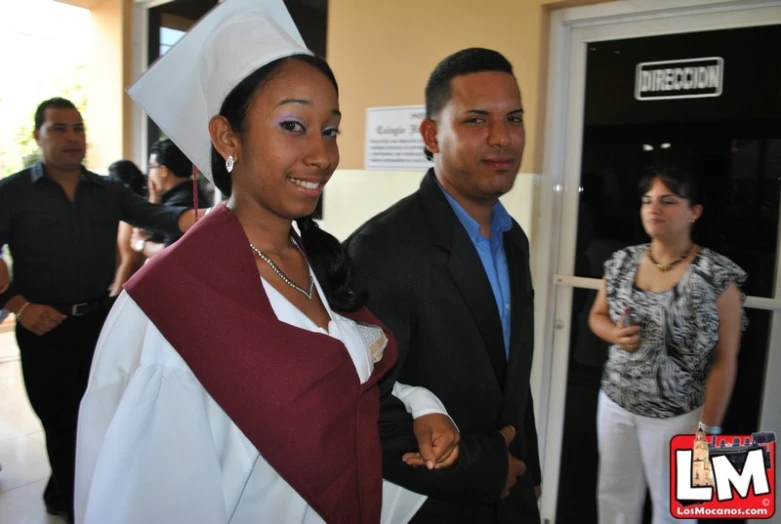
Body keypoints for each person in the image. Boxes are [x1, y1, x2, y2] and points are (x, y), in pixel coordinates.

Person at [75, 1, 458, 523]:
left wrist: (421, 405)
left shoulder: (315, 257)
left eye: (330, 130)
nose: (323, 156)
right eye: (293, 125)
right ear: (227, 136)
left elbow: (341, 379)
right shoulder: (176, 309)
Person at [345, 48, 542, 523]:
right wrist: (487, 467)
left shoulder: (513, 239)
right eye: (476, 120)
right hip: (433, 505)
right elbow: (361, 406)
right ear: (432, 135)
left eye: (513, 118)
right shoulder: (380, 251)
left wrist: (528, 471)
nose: (503, 138)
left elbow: (512, 378)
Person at [0, 96, 205, 522]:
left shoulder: (106, 190)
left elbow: (158, 215)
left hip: (97, 324)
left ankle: (65, 493)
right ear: (38, 135)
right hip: (42, 327)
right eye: (59, 128)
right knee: (59, 422)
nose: (72, 137)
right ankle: (78, 506)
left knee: (98, 416)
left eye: (78, 128)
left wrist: (206, 218)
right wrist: (18, 306)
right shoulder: (13, 193)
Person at [588, 167, 746, 524]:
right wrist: (614, 334)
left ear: (695, 211)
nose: (653, 208)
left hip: (679, 415)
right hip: (616, 403)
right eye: (647, 200)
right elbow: (597, 315)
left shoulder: (716, 275)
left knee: (673, 509)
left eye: (668, 200)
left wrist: (708, 431)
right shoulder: (622, 261)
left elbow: (725, 360)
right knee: (614, 497)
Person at [130, 138, 210, 258]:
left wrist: (141, 244)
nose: (149, 174)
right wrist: (154, 200)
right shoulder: (189, 194)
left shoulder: (179, 204)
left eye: (151, 167)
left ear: (163, 171)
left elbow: (171, 252)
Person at [107, 160, 147, 296]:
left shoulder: (129, 217)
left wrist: (115, 295)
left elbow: (128, 260)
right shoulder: (138, 210)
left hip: (129, 290)